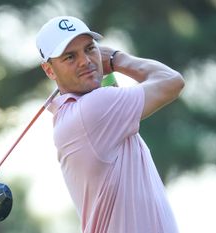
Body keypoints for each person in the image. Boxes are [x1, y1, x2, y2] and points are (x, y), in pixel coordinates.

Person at [36, 16, 184, 233]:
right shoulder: (93, 109)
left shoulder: (76, 113)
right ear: (49, 70)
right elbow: (172, 81)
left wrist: (102, 70)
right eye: (70, 57)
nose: (85, 61)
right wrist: (117, 59)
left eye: (89, 49)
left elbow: (106, 89)